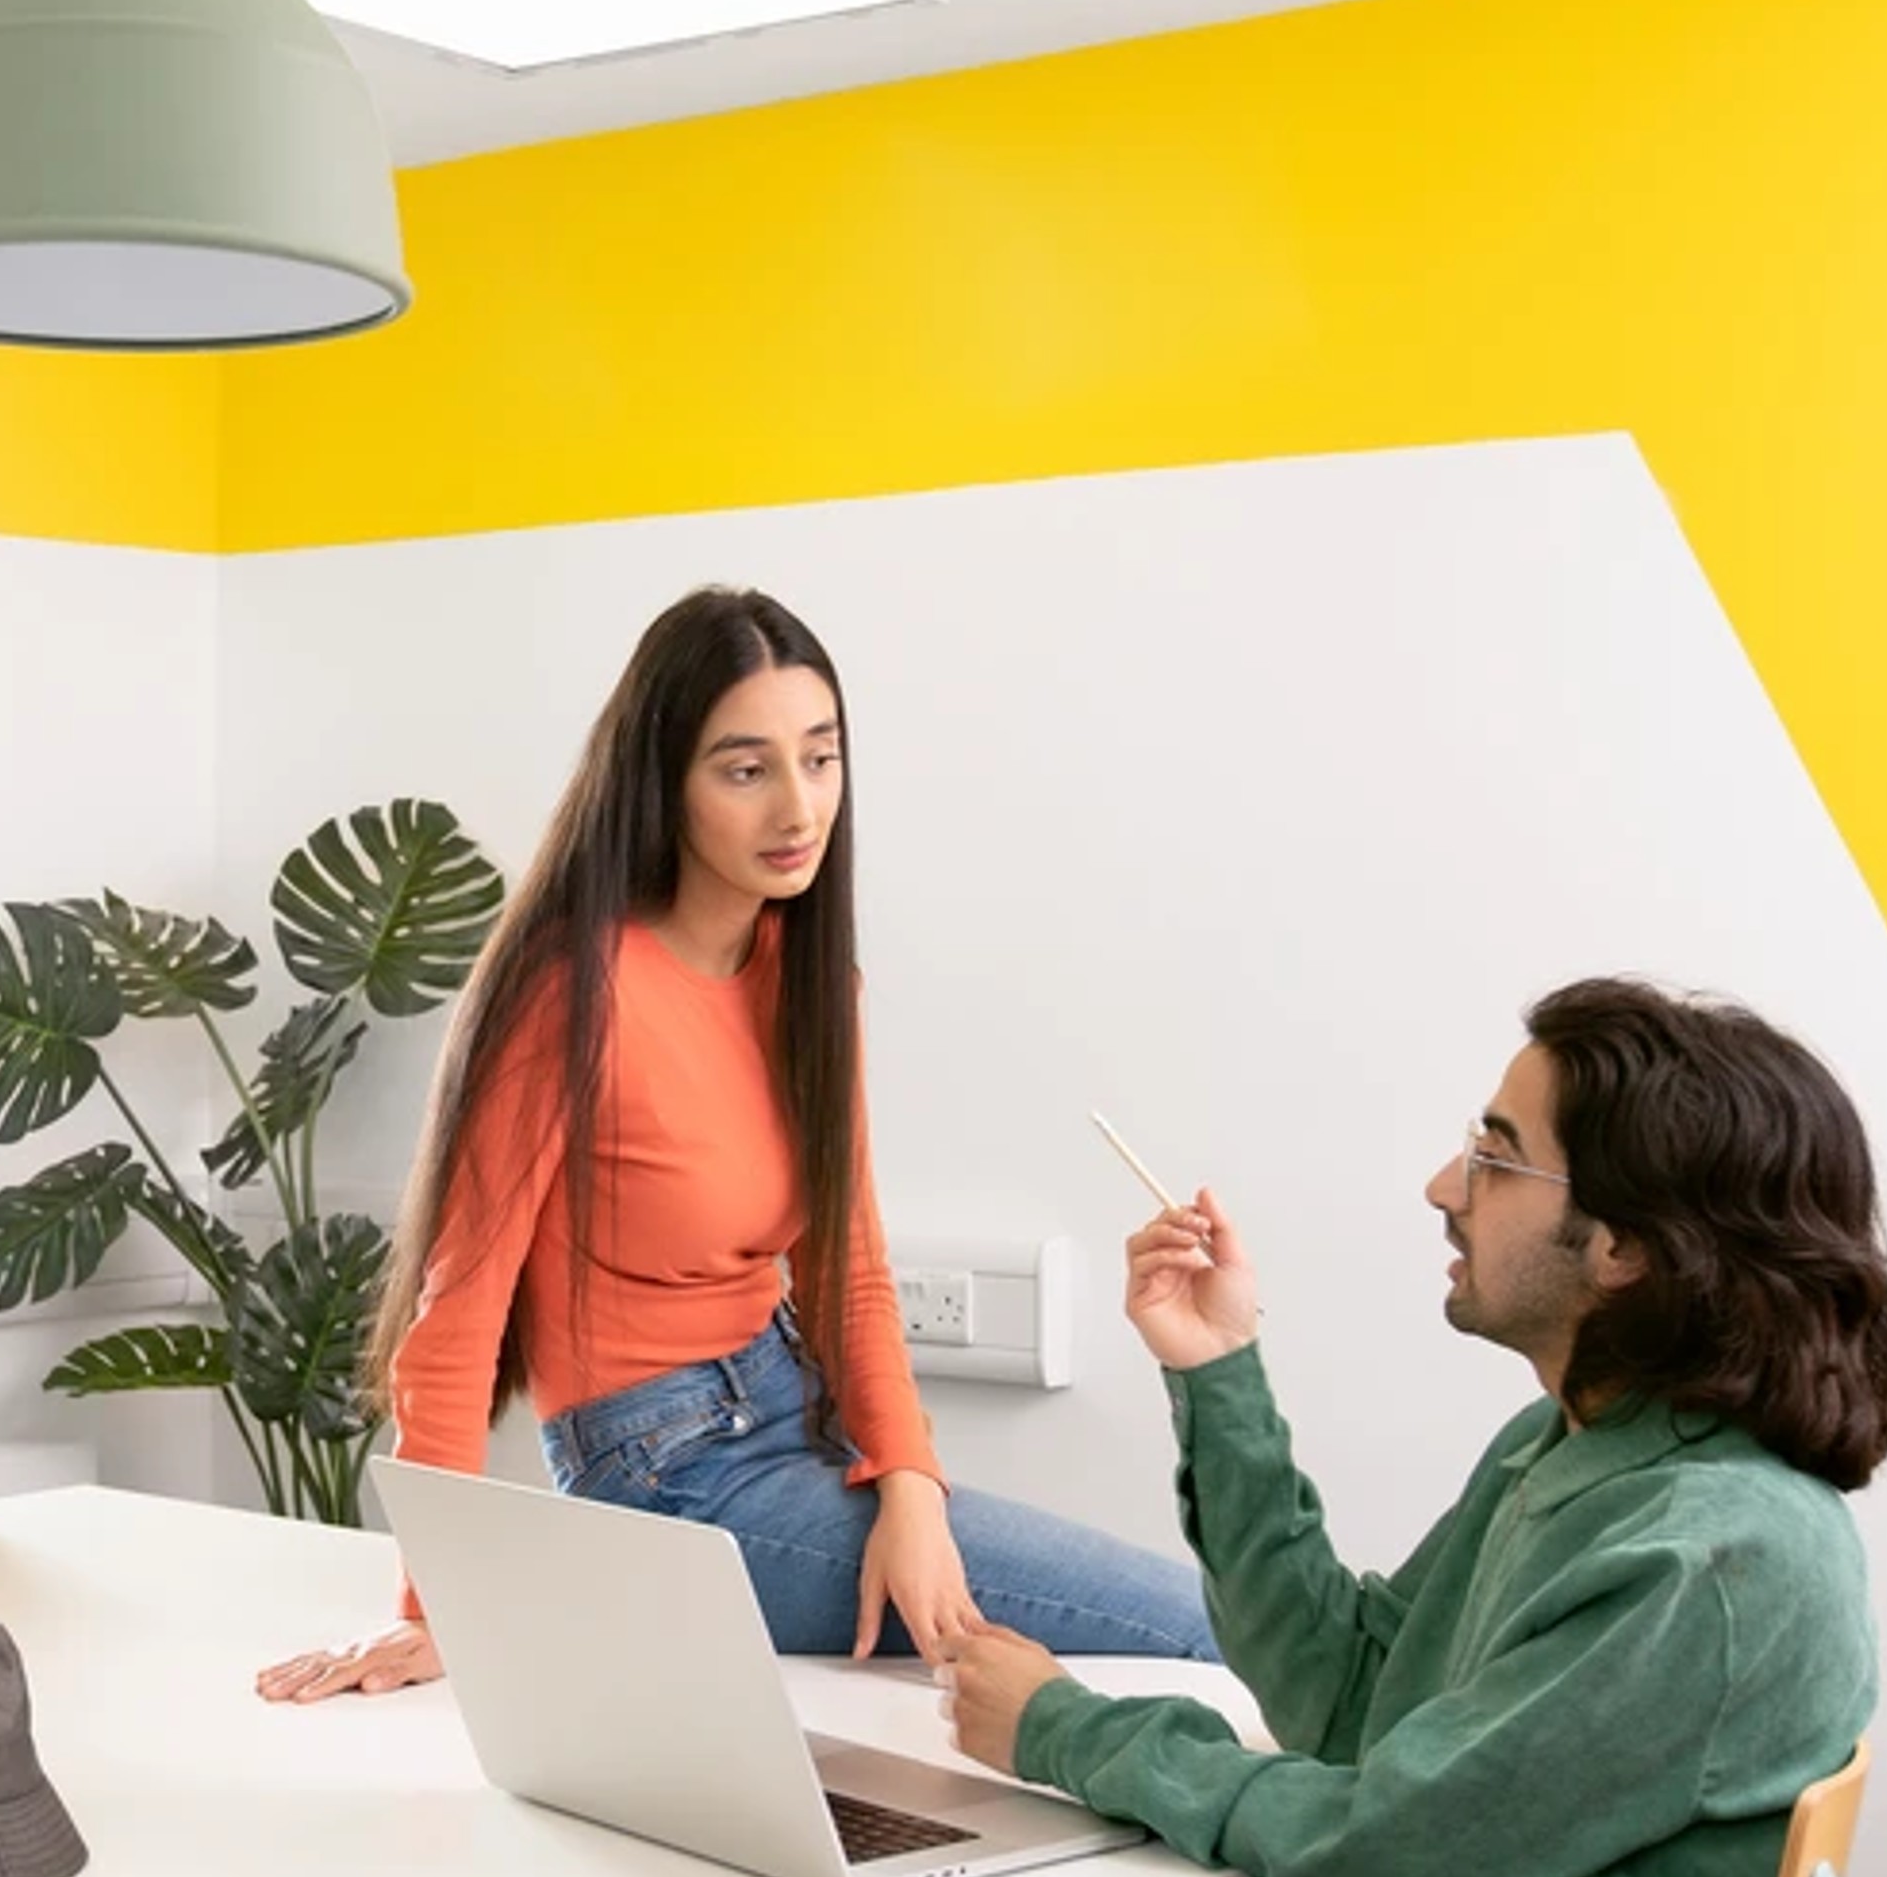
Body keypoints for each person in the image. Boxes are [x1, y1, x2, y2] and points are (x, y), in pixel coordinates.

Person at [644, 978, 1887, 1877]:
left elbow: (1395, 1844)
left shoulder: (1715, 1558)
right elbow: (1353, 1701)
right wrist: (1218, 1373)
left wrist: (1069, 1731)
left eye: (1496, 1155)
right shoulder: (1581, 1450)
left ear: (1621, 1243)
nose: (1445, 1186)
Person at [259, 586, 1213, 1702]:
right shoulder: (572, 993)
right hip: (664, 1475)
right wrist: (442, 1607)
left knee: (1190, 1629)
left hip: (792, 1415)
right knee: (1190, 1632)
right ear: (665, 781)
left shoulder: (808, 979)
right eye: (745, 768)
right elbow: (455, 1317)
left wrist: (911, 1486)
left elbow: (848, 1271)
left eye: (821, 758)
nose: (798, 807)